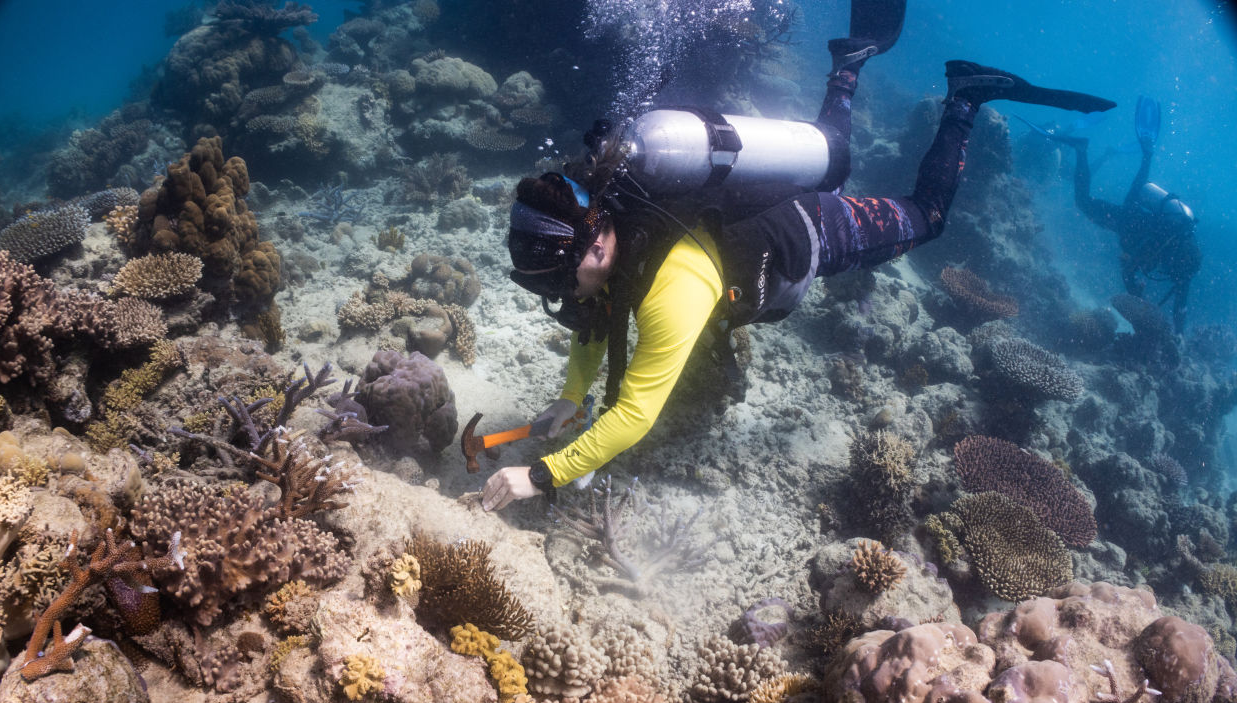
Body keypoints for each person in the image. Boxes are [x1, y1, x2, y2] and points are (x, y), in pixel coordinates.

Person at [482, 0, 1115, 512]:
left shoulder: (675, 290)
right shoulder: (612, 208)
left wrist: (539, 476)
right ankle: (853, 60)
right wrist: (571, 396)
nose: (564, 294)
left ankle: (966, 99)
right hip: (762, 208)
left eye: (564, 277)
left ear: (596, 242)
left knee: (927, 218)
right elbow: (595, 319)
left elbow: (635, 416)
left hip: (815, 229)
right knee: (830, 151)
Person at [1056, 96, 1200, 333]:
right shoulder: (1174, 260)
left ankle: (1147, 155)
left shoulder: (1182, 254)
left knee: (1134, 189)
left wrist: (1175, 331)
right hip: (1129, 221)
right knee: (1083, 202)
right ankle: (1082, 149)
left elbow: (1180, 305)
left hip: (1136, 216)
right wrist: (1136, 294)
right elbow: (1129, 267)